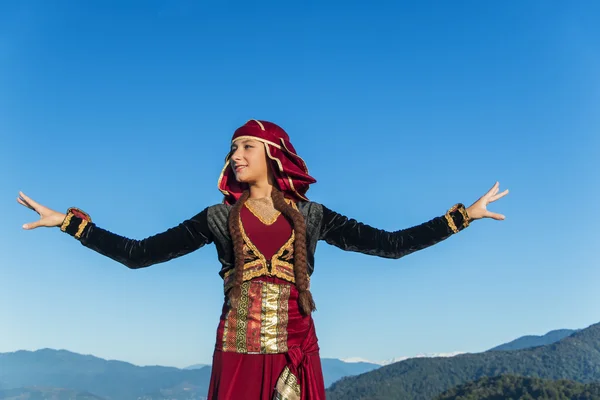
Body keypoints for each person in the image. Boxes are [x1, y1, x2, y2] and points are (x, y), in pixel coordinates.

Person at [17, 119, 508, 400]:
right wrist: (69, 223)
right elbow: (138, 255)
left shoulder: (312, 216)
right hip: (236, 355)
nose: (235, 154)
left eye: (246, 146)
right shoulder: (216, 217)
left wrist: (463, 217)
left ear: (273, 154)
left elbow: (391, 245)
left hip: (298, 354)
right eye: (232, 148)